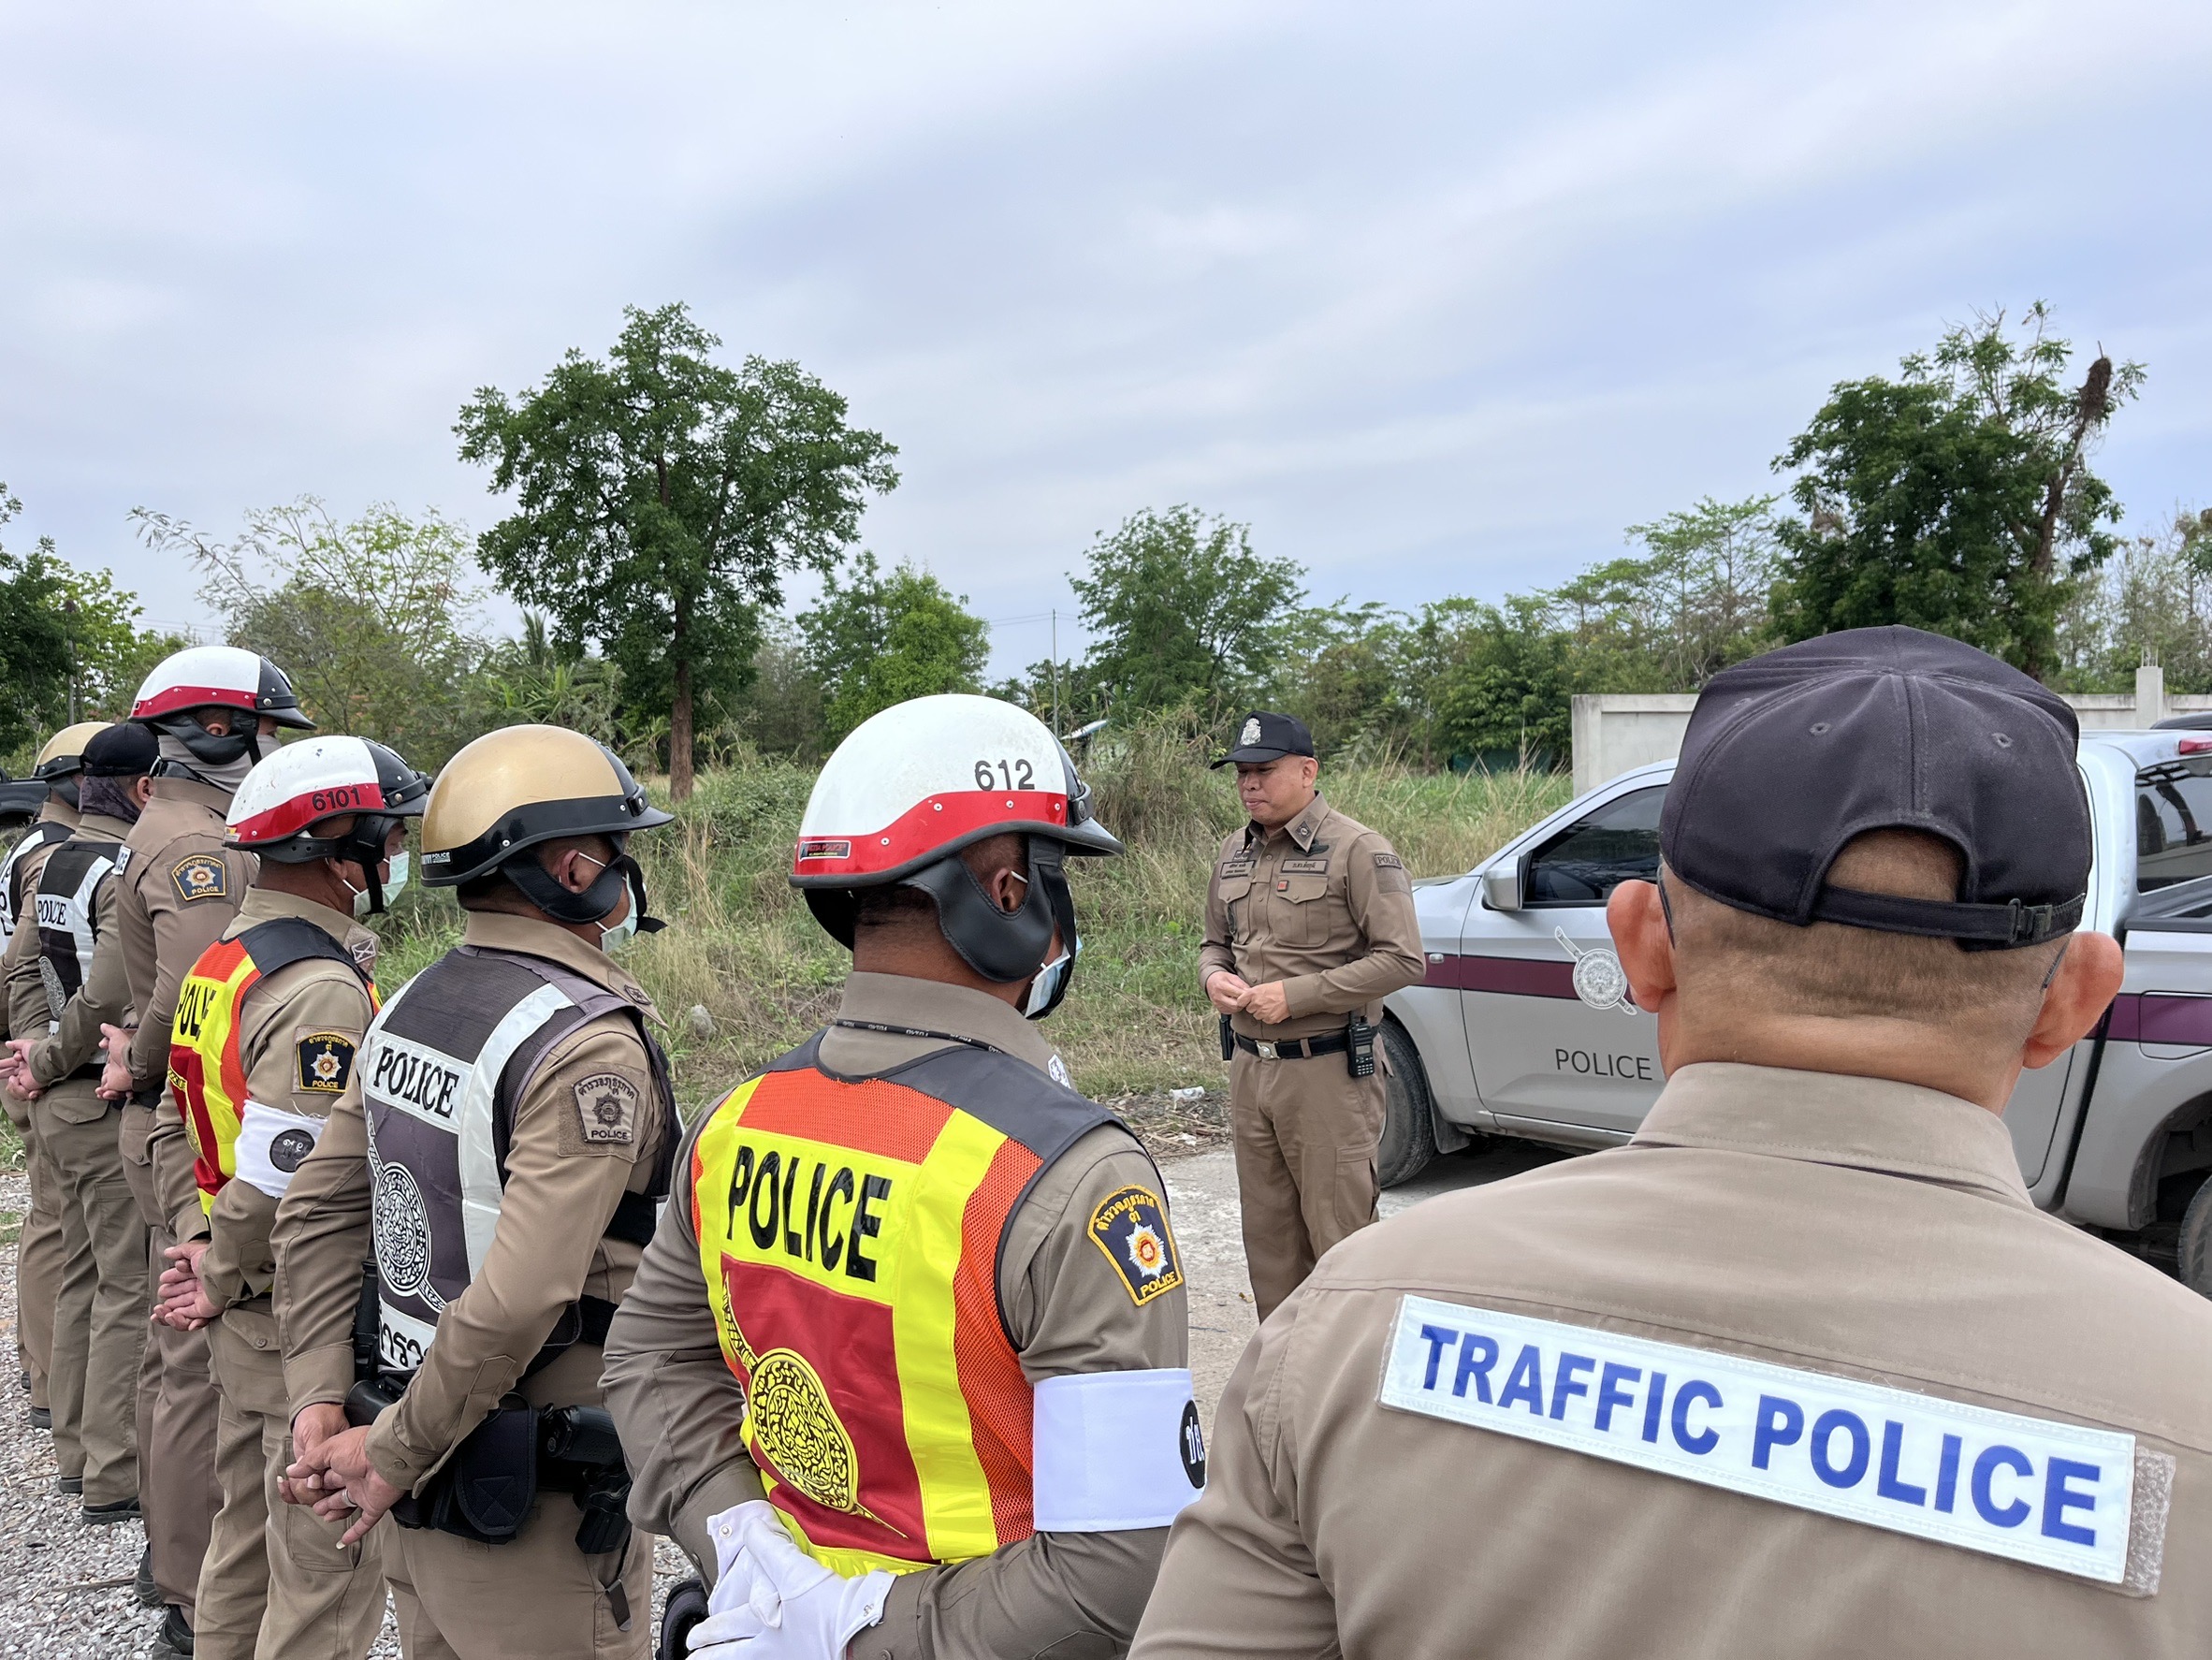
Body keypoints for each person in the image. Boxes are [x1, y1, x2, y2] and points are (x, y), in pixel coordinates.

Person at [1131, 626, 2212, 1659]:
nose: (1250, 784)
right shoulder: (2184, 1409)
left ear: (1642, 945)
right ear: (2073, 1001)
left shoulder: (1352, 1326)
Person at [604, 692, 1200, 1660]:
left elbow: (647, 1361)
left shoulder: (735, 1124)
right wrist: (854, 1635)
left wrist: (747, 1558)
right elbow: (1123, 1567)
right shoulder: (1071, 1175)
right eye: (1055, 878)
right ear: (1007, 894)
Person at [271, 724, 678, 1658]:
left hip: (413, 1459)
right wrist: (389, 1454)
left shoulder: (409, 1003)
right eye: (618, 848)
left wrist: (319, 1398)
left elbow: (316, 1211)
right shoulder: (585, 1045)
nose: (626, 872)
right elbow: (518, 1300)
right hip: (531, 1509)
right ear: (575, 870)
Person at [150, 735, 428, 1660]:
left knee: (242, 1548)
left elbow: (176, 1121)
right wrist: (218, 1271)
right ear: (337, 847)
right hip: (293, 1318)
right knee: (321, 1588)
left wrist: (200, 1247)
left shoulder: (226, 961)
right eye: (388, 833)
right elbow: (289, 1180)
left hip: (243, 1308)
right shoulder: (319, 991)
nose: (396, 851)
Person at [94, 644, 316, 1654]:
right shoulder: (201, 844)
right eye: (260, 730)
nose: (268, 750)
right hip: (197, 1123)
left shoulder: (160, 825)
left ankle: (178, 1562)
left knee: (172, 1347)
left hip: (176, 1114)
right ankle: (193, 1590)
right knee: (199, 1361)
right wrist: (138, 1064)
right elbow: (198, 985)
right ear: (215, 731)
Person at [1198, 709, 1424, 1321]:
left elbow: (1403, 959)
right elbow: (1214, 944)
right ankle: (1283, 1367)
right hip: (1251, 1072)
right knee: (1269, 1240)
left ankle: (1344, 1368)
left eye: (1265, 771)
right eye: (1241, 773)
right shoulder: (1234, 851)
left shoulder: (1358, 849)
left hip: (1326, 1073)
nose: (1250, 784)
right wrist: (1213, 977)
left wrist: (1297, 996)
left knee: (1341, 1240)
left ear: (1307, 771)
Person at [0, 721, 155, 1540]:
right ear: (142, 789)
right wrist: (56, 1056)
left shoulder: (54, 858)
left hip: (59, 1096)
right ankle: (112, 1470)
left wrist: (32, 1050)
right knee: (126, 1285)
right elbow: (109, 992)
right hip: (97, 1091)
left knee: (83, 1275)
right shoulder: (120, 866)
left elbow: (23, 965)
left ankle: (72, 1450)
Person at [0, 721, 102, 1443]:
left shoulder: (29, 845)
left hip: (30, 1049)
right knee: (60, 1225)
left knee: (50, 1219)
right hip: (47, 1056)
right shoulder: (55, 856)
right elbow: (29, 964)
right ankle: (48, 1377)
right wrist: (36, 1050)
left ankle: (42, 1368)